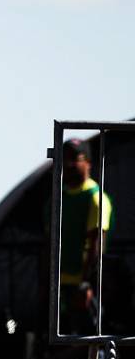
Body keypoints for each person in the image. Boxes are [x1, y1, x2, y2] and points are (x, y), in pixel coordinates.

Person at [56, 138, 112, 335]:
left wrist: (87, 284)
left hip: (83, 288)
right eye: (65, 159)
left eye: (75, 158)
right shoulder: (57, 198)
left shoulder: (96, 198)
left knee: (90, 341)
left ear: (88, 161)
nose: (69, 164)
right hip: (59, 286)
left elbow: (96, 244)